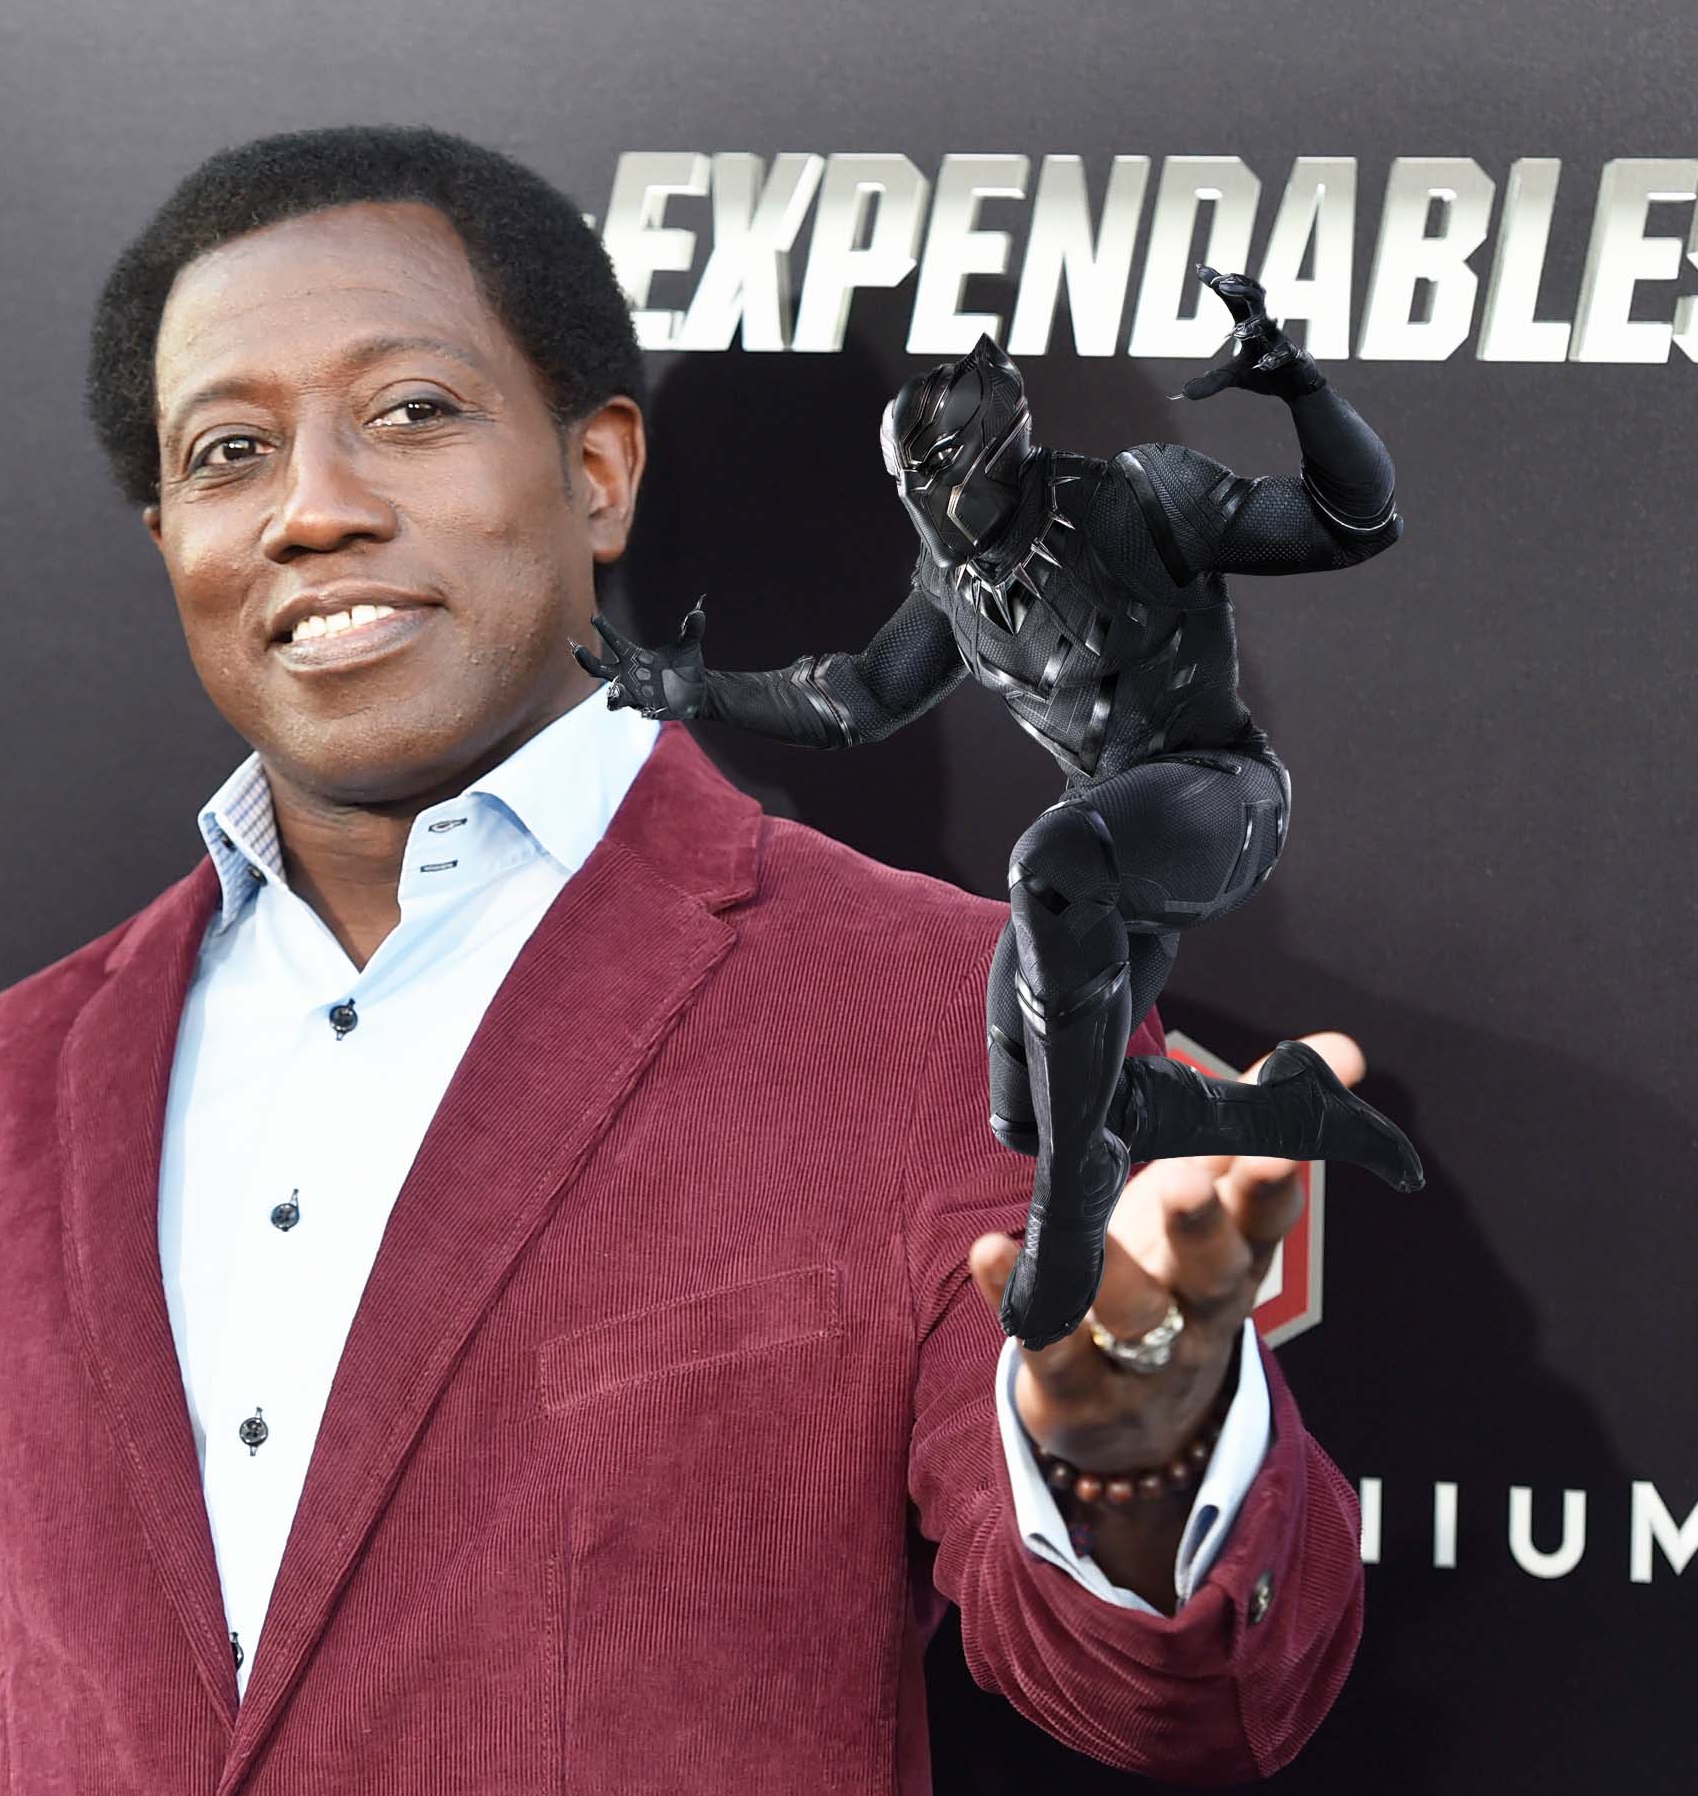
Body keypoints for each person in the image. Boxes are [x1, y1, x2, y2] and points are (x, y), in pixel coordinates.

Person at [0, 126, 1370, 1796]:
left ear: (600, 472)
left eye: (409, 411)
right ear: (170, 535)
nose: (314, 505)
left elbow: (1195, 1691)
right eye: (226, 451)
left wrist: (1137, 1452)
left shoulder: (949, 1012)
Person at [578, 299, 1425, 1348]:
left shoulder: (1134, 500)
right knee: (1029, 1111)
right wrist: (704, 692)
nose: (928, 501)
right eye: (911, 480)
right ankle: (1282, 1112)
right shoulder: (953, 582)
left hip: (1219, 799)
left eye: (939, 471)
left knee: (1049, 869)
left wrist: (1302, 387)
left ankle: (1067, 1224)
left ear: (994, 453)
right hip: (1098, 855)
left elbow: (1352, 519)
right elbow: (860, 696)